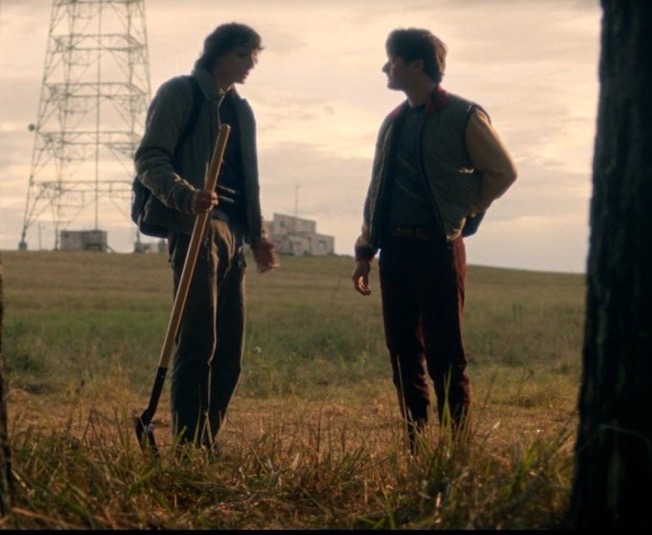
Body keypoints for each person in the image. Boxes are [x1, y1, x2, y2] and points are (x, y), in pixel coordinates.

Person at [351, 28, 517, 450]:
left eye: (392, 60)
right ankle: (417, 445)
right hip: (395, 252)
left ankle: (456, 449)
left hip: (438, 249)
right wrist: (365, 250)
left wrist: (464, 211)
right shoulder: (392, 122)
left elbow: (502, 172)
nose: (385, 68)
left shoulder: (463, 115)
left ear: (416, 64)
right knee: (402, 352)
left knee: (446, 354)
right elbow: (377, 189)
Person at [134, 22, 278, 453]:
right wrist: (185, 195)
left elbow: (250, 179)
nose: (251, 63)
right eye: (243, 54)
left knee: (230, 351)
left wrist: (258, 235)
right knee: (198, 341)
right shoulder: (181, 93)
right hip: (195, 225)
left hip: (233, 231)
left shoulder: (241, 111)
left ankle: (205, 442)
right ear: (218, 54)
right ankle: (188, 445)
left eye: (255, 55)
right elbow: (150, 158)